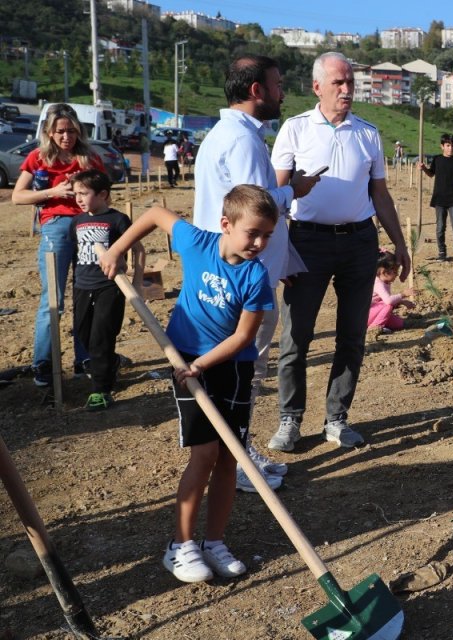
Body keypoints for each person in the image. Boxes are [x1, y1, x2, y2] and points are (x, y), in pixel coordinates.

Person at [101, 185, 279, 583]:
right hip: (183, 359)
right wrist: (116, 250)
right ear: (225, 225)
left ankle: (214, 542)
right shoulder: (196, 241)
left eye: (267, 235)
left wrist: (203, 364)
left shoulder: (256, 276)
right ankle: (180, 546)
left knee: (232, 455)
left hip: (230, 367)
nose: (260, 242)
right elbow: (152, 214)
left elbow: (243, 338)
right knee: (205, 453)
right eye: (252, 232)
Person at [268, 51, 410, 451]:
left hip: (359, 243)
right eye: (338, 83)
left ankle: (337, 418)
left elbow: (380, 195)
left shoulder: (367, 133)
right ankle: (290, 420)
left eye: (350, 82)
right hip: (307, 242)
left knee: (352, 335)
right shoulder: (295, 130)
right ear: (317, 87)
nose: (347, 89)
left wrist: (399, 244)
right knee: (297, 335)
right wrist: (277, 250)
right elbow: (278, 196)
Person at [194, 55, 320, 490]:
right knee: (244, 372)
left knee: (241, 372)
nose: (282, 92)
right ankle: (237, 458)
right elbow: (256, 207)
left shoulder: (226, 134)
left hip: (239, 270)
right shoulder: (244, 142)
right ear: (256, 91)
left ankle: (239, 450)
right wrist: (294, 190)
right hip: (244, 278)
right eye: (278, 84)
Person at [11, 103, 106, 387]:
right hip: (56, 228)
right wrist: (54, 191)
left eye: (72, 131)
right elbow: (18, 196)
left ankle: (84, 359)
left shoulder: (88, 157)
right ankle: (44, 366)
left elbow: (104, 190)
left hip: (87, 228)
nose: (67, 137)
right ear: (50, 133)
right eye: (61, 131)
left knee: (85, 296)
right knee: (52, 300)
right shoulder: (39, 158)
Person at [71, 169, 144, 410]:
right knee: (83, 334)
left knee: (102, 336)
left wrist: (137, 283)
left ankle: (101, 390)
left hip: (109, 287)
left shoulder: (117, 220)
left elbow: (138, 249)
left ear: (103, 194)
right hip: (82, 286)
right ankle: (111, 363)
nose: (79, 198)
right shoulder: (77, 221)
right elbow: (76, 255)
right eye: (76, 194)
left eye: (84, 193)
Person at [419, 133, 453, 261]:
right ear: (442, 146)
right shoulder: (437, 159)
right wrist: (423, 168)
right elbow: (431, 174)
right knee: (440, 227)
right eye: (448, 145)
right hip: (439, 199)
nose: (451, 148)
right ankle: (442, 252)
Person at [367, 251, 415, 332]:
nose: (397, 275)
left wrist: (402, 302)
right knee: (388, 305)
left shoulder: (385, 282)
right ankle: (374, 327)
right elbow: (388, 301)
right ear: (384, 272)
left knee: (399, 323)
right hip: (367, 315)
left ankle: (380, 324)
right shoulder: (378, 284)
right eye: (395, 272)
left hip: (375, 313)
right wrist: (403, 294)